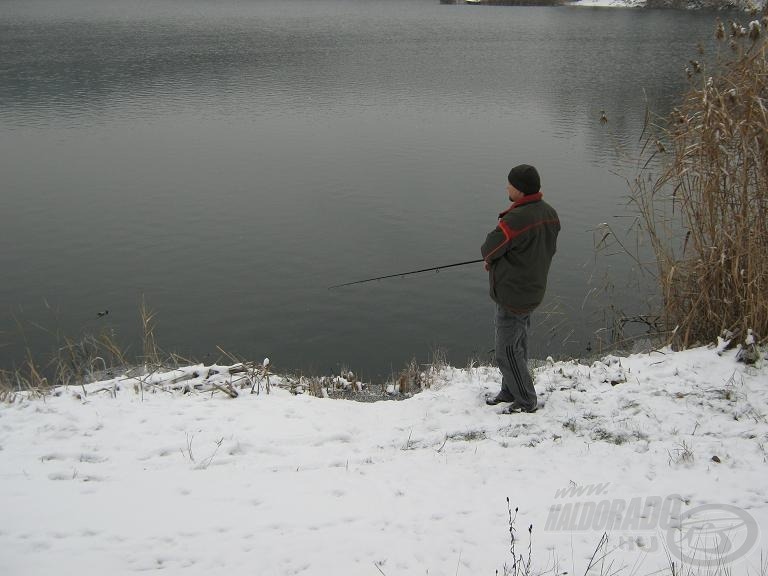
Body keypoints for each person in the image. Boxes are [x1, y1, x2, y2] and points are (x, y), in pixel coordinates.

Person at [481, 164, 560, 413]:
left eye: (510, 184)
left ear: (520, 190)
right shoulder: (549, 213)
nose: (507, 187)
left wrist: (493, 260)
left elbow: (489, 249)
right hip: (532, 289)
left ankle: (526, 399)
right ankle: (509, 390)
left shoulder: (515, 220)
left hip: (513, 293)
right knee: (518, 344)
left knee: (505, 350)